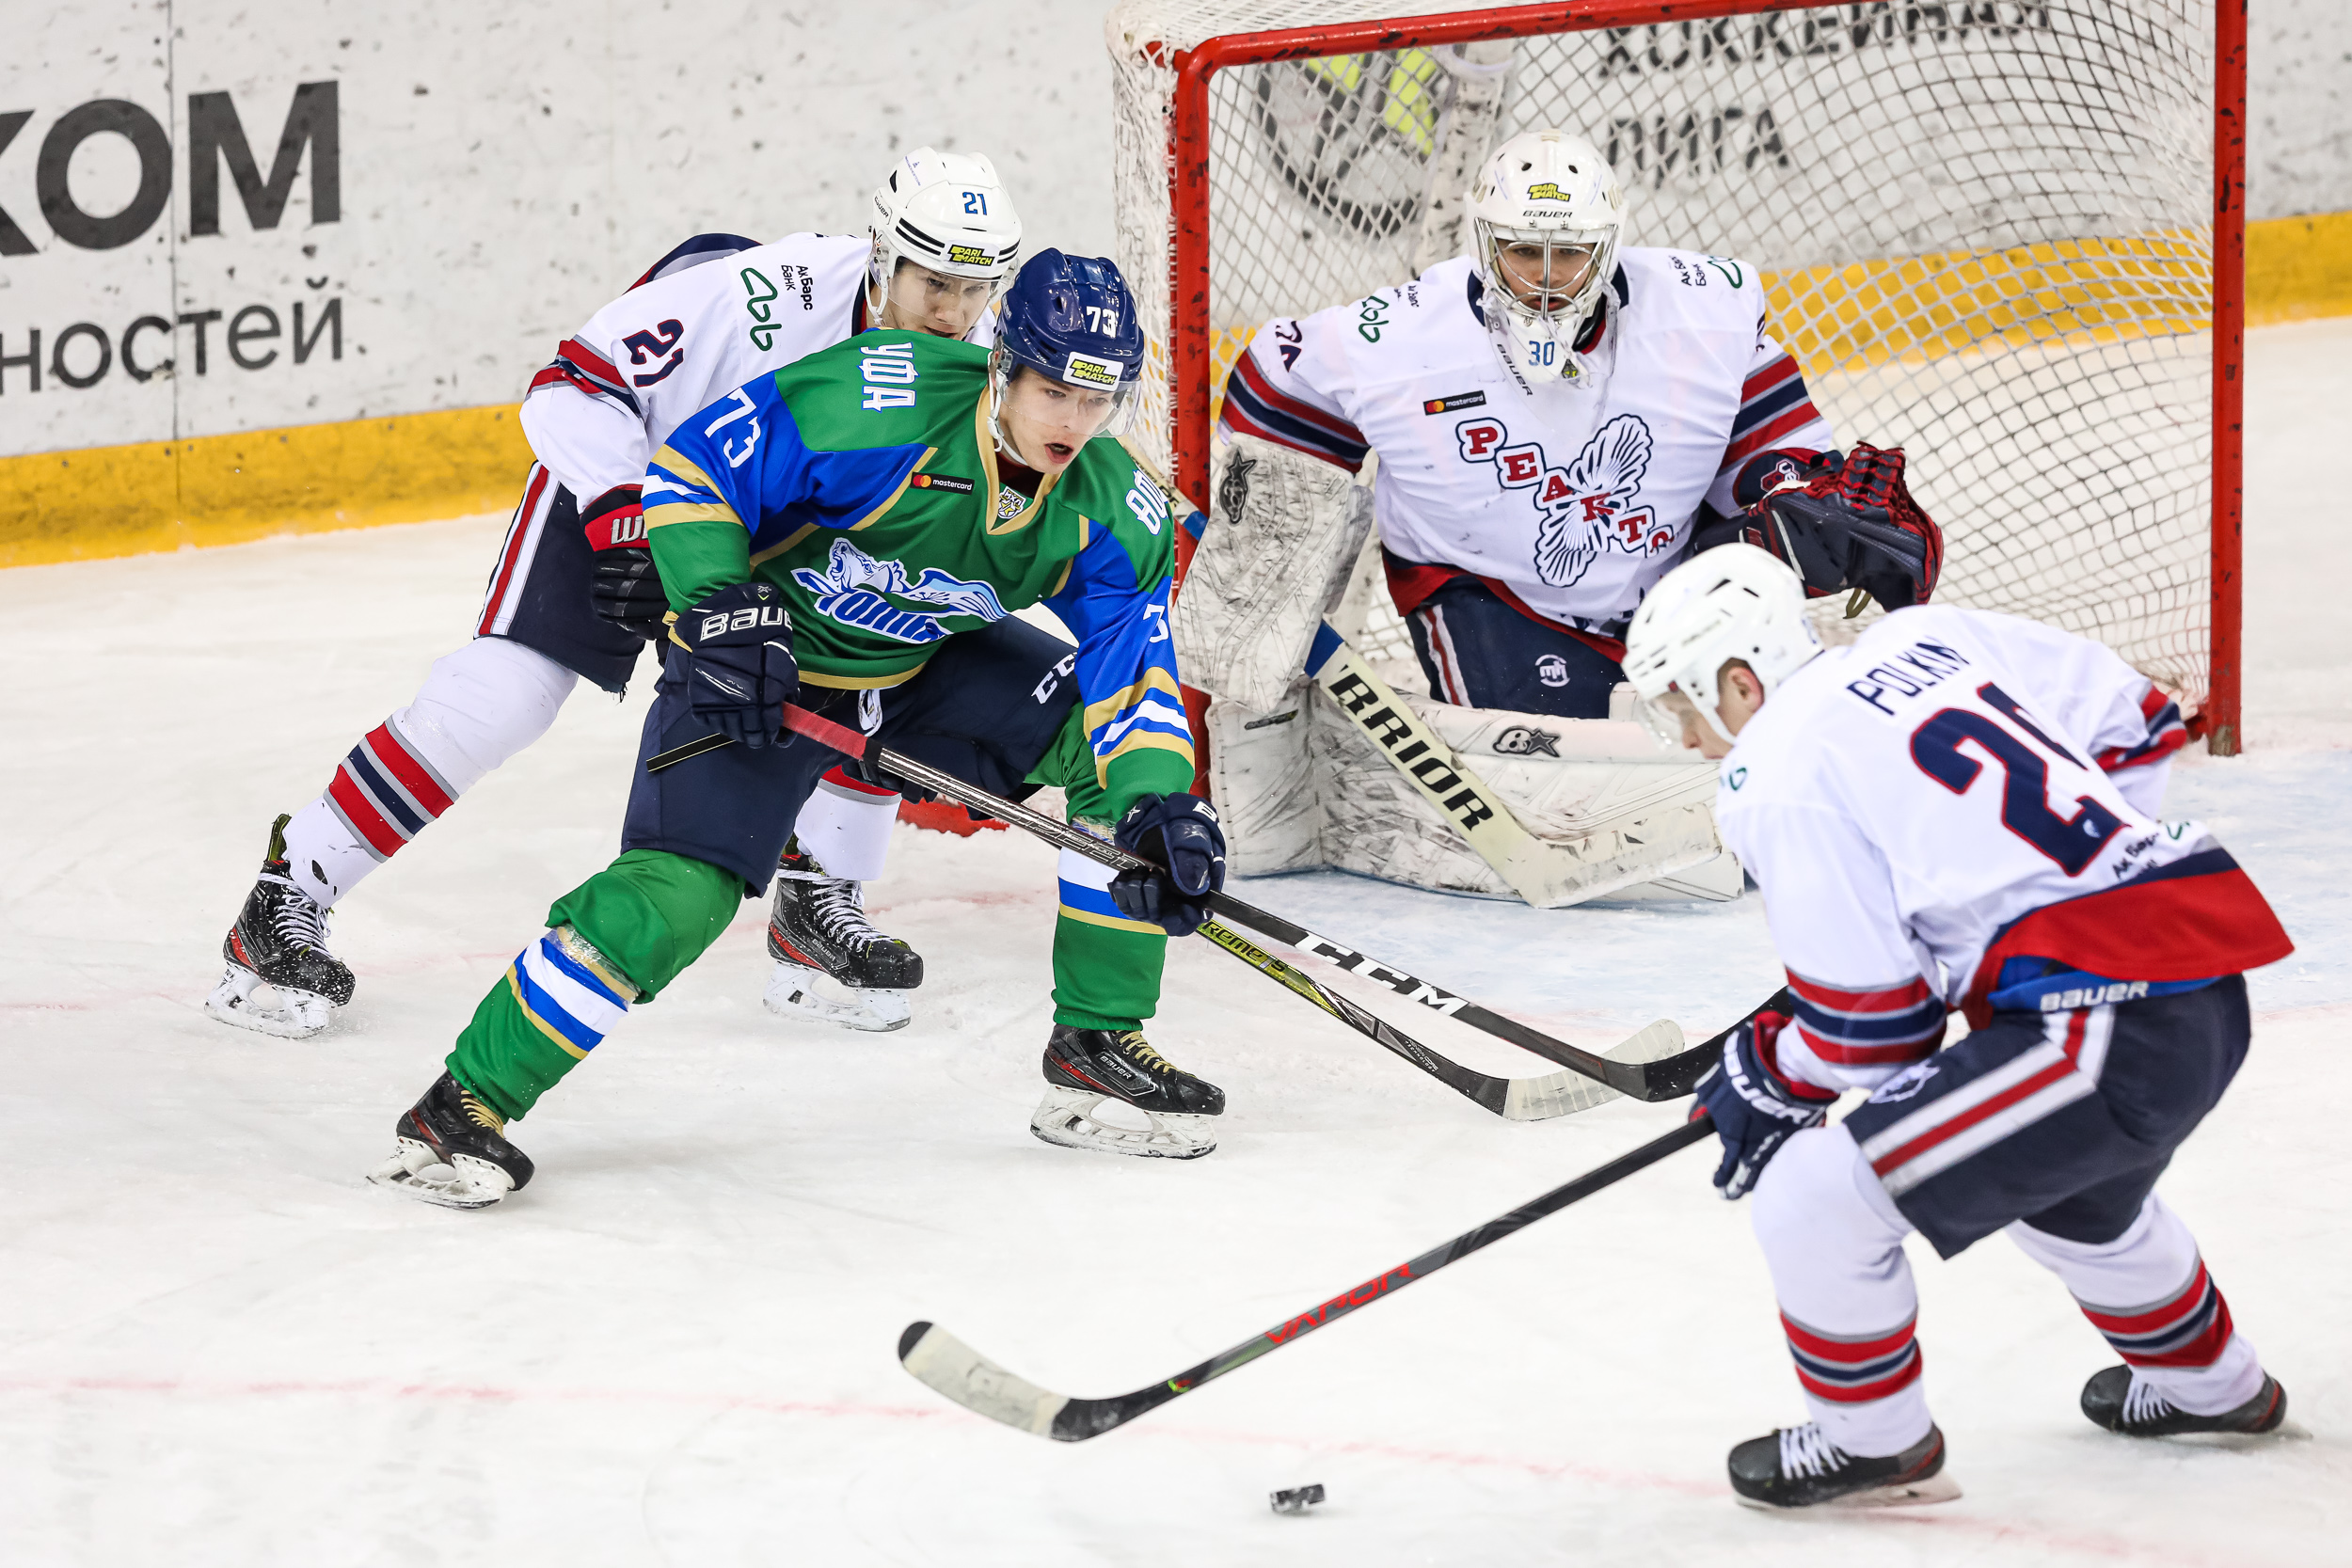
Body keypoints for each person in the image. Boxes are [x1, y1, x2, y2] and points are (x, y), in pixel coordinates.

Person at [369, 249, 1232, 1208]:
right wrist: (716, 603)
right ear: (1004, 365)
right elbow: (693, 469)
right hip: (760, 668)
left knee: (1119, 773)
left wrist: (1160, 802)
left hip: (919, 668)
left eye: (1097, 397)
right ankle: (461, 1106)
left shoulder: (1115, 507)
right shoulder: (878, 399)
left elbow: (1134, 685)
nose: (1073, 421)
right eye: (1054, 391)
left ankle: (1096, 1041)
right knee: (672, 900)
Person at [207, 149, 1025, 1040]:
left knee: (875, 646)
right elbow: (574, 384)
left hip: (765, 521)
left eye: (974, 289)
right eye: (931, 283)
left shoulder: (988, 357)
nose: (952, 313)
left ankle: (817, 895)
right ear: (880, 256)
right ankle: (292, 890)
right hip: (628, 474)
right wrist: (624, 516)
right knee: (506, 696)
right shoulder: (767, 298)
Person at [1621, 545, 2294, 1509]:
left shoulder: (1771, 770)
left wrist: (1772, 1070)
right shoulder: (1923, 638)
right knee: (2076, 1205)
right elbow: (2138, 721)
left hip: (2099, 1032)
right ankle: (2213, 1387)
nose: (1688, 739)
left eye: (1681, 705)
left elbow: (1875, 1032)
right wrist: (2058, 891)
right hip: (2200, 981)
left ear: (1738, 679)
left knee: (1814, 1195)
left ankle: (1872, 1443)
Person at [1216, 128, 1938, 717]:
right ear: (1484, 242)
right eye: (1523, 251)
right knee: (1548, 777)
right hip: (1486, 591)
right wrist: (1261, 538)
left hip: (1666, 582)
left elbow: (1771, 449)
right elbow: (1274, 384)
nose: (1544, 277)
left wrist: (1792, 496)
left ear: (1608, 245)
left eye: (1569, 253)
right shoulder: (1399, 337)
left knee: (1740, 737)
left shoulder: (1702, 311)